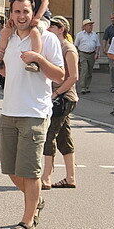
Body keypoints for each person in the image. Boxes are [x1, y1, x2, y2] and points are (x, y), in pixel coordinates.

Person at [0, 0, 65, 229]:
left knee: (31, 172)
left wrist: (39, 58)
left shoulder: (48, 38)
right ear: (11, 13)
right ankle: (36, 203)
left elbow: (60, 75)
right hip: (8, 110)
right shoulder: (10, 37)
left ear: (33, 12)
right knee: (12, 171)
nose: (21, 16)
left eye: (25, 11)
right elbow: (6, 69)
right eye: (16, 11)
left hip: (34, 112)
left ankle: (28, 223)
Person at [42, 16, 78, 191]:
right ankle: (70, 177)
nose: (48, 29)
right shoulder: (55, 46)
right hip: (59, 97)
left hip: (64, 98)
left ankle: (46, 177)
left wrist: (56, 93)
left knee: (49, 134)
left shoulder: (68, 48)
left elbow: (73, 77)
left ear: (61, 28)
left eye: (52, 27)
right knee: (64, 137)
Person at [73, 18, 100, 93]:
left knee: (90, 71)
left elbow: (98, 45)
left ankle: (87, 86)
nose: (90, 27)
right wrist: (77, 55)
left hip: (92, 54)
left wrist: (97, 53)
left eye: (91, 25)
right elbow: (75, 45)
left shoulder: (95, 35)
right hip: (83, 54)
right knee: (85, 69)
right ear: (84, 27)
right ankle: (83, 87)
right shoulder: (80, 35)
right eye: (89, 25)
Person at [102, 13, 114, 95]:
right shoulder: (109, 28)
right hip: (112, 49)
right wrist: (104, 48)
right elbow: (105, 39)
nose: (112, 19)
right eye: (111, 18)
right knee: (112, 68)